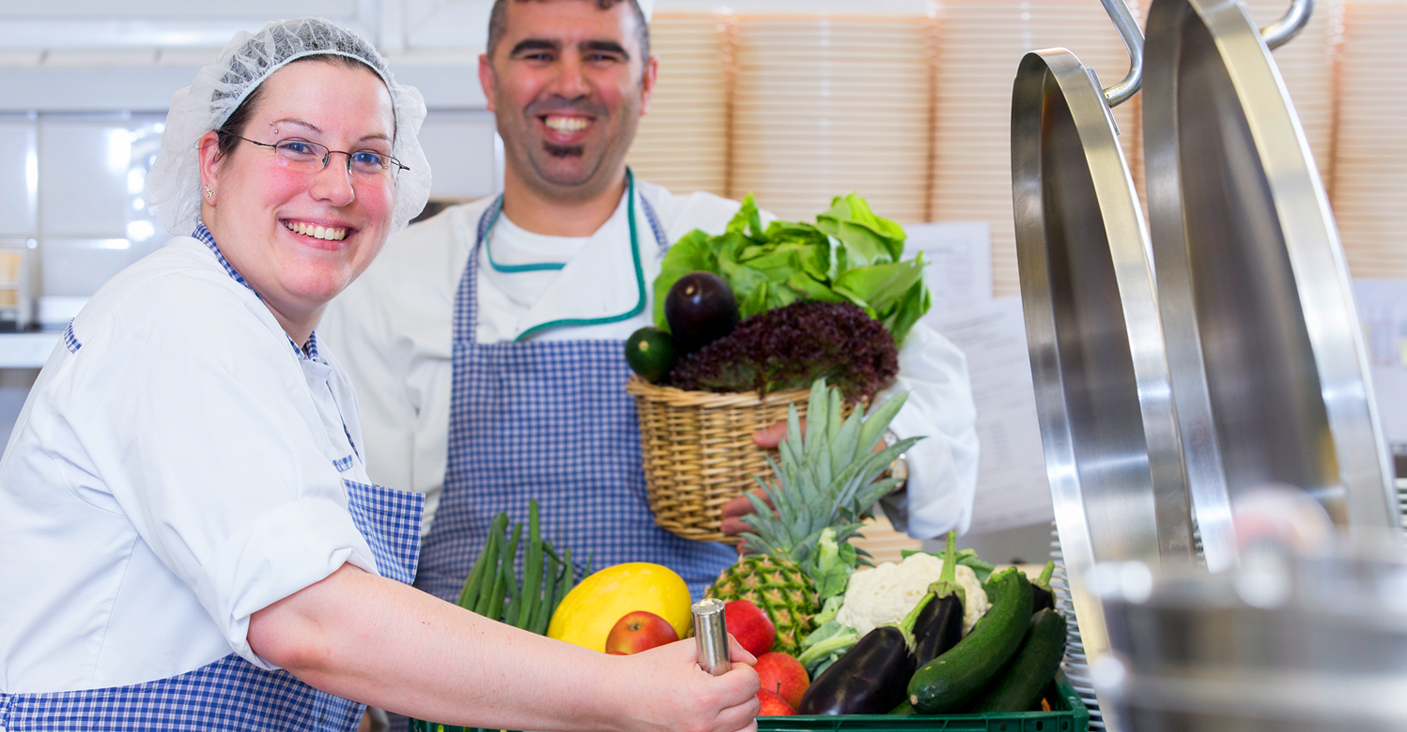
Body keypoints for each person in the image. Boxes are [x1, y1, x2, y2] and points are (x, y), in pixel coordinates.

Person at [0, 18, 760, 732]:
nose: (336, 188)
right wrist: (624, 693)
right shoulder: (176, 319)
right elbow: (312, 620)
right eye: (297, 146)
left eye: (366, 156)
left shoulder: (290, 354)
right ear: (212, 162)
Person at [319, 0, 980, 604]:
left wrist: (863, 453)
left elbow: (921, 379)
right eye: (538, 53)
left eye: (602, 55)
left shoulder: (731, 247)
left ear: (649, 80)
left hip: (703, 677)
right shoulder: (391, 280)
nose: (571, 82)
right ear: (489, 79)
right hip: (468, 694)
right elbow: (359, 544)